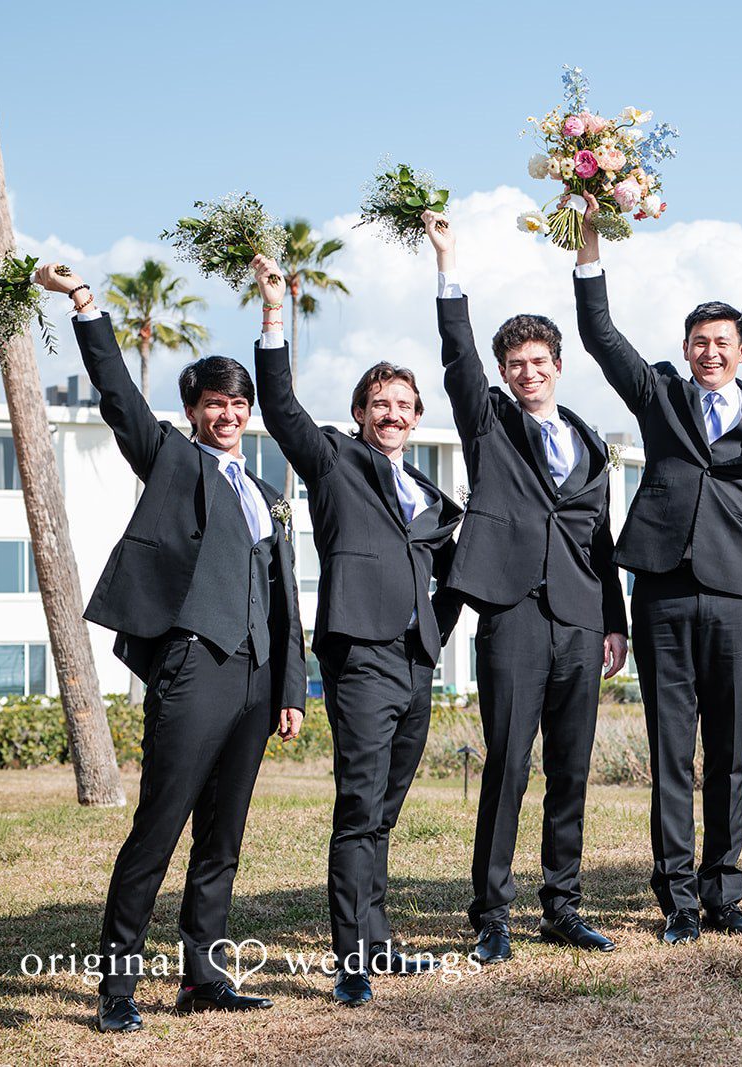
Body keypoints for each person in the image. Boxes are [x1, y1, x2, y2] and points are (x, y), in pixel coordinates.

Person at [36, 263, 305, 1033]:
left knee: (223, 838)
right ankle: (116, 988)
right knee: (158, 830)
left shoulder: (263, 487)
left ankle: (202, 979)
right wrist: (88, 306)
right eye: (215, 402)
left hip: (256, 679)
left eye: (238, 402)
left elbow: (285, 597)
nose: (229, 413)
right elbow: (119, 397)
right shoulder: (175, 461)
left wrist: (289, 687)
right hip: (194, 667)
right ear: (193, 411)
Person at [570, 195, 742, 943]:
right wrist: (589, 241)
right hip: (664, 596)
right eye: (699, 342)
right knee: (672, 751)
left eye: (722, 342)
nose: (710, 352)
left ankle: (724, 893)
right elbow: (600, 335)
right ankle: (676, 899)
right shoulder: (661, 397)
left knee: (730, 754)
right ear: (686, 349)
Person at [249, 255, 463, 1003]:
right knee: (358, 805)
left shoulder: (433, 494)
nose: (393, 414)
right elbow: (279, 408)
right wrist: (275, 315)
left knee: (385, 813)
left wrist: (434, 630)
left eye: (404, 403)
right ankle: (351, 963)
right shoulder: (333, 461)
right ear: (362, 412)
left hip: (414, 661)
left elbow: (454, 573)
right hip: (360, 655)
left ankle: (379, 941)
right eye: (380, 402)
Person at [420, 210, 629, 965]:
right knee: (509, 763)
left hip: (580, 618)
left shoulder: (589, 441)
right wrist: (448, 264)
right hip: (510, 613)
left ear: (557, 364)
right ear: (505, 372)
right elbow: (455, 359)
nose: (527, 372)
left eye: (538, 360)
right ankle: (492, 913)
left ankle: (563, 905)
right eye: (516, 363)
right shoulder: (488, 422)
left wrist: (616, 621)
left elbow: (600, 539)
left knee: (570, 768)